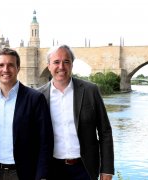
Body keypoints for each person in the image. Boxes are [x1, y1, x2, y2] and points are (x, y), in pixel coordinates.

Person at [37, 45, 114, 180]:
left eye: (66, 61)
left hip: (84, 169)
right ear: (48, 66)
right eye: (56, 62)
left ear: (72, 65)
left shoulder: (91, 90)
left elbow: (105, 132)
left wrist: (107, 170)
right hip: (51, 169)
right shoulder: (38, 96)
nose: (61, 66)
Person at [0, 48, 54, 180]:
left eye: (10, 65)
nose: (5, 69)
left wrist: (42, 175)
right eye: (1, 65)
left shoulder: (34, 98)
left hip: (23, 172)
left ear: (18, 68)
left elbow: (45, 140)